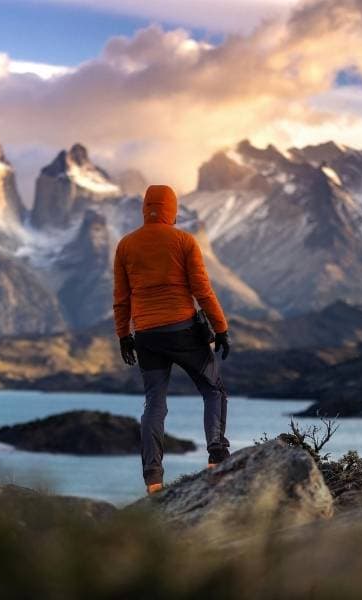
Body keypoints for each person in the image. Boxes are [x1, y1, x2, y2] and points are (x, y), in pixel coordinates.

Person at [113, 184, 231, 495]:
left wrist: (124, 336)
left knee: (155, 403)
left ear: (145, 208)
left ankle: (153, 478)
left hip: (147, 336)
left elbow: (121, 299)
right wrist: (221, 328)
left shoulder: (126, 245)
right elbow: (202, 291)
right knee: (212, 389)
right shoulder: (184, 241)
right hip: (183, 331)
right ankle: (217, 457)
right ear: (172, 210)